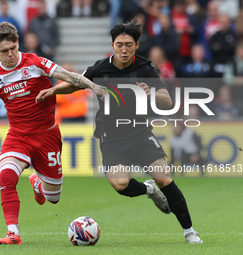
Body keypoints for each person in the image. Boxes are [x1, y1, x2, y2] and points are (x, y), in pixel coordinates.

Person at [0, 21, 106, 245]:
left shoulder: (34, 63)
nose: (10, 54)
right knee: (6, 177)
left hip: (47, 136)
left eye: (13, 48)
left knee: (53, 198)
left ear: (18, 43)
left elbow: (68, 75)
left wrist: (93, 86)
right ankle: (13, 233)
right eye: (4, 51)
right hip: (18, 136)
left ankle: (37, 183)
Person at [36, 20, 203, 244]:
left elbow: (167, 100)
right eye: (120, 45)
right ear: (112, 44)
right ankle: (148, 190)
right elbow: (76, 83)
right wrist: (53, 90)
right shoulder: (100, 67)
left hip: (140, 132)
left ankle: (190, 231)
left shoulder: (146, 68)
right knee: (120, 184)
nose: (124, 50)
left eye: (129, 45)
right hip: (111, 136)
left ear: (136, 45)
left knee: (164, 178)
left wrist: (150, 92)